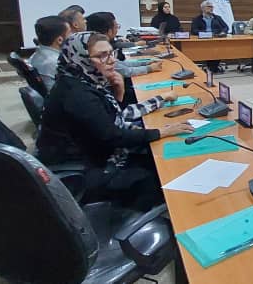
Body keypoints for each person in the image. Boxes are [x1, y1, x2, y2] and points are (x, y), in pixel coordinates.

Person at [38, 32, 193, 210]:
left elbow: (110, 119)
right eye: (101, 56)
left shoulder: (82, 80)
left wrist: (120, 95)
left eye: (110, 53)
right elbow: (113, 135)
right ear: (80, 58)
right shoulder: (78, 95)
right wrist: (161, 132)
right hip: (88, 171)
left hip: (94, 153)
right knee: (165, 174)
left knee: (158, 154)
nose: (111, 60)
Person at [87, 12, 162, 105]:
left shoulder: (102, 45)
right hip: (114, 94)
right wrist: (150, 68)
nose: (112, 60)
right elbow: (126, 71)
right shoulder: (99, 49)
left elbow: (121, 63)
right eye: (116, 27)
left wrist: (146, 62)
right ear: (109, 31)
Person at [29, 16, 70, 93]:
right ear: (60, 40)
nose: (73, 36)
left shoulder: (35, 56)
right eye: (70, 33)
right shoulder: (57, 63)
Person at [190, 1, 229, 73]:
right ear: (203, 8)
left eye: (212, 7)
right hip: (203, 40)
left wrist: (223, 32)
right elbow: (194, 30)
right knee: (209, 49)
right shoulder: (197, 19)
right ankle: (212, 68)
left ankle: (212, 68)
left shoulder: (217, 18)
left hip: (216, 39)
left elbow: (226, 27)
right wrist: (206, 33)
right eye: (209, 7)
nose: (211, 8)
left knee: (219, 49)